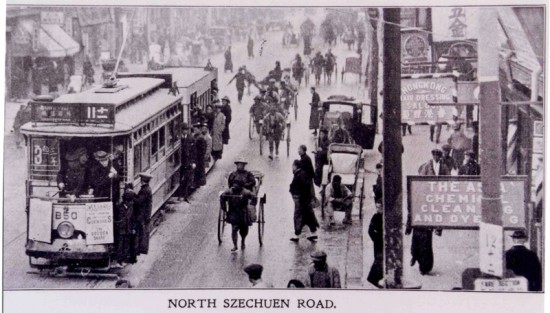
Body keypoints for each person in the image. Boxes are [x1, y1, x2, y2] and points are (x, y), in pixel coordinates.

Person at [406, 149, 448, 275]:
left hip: (432, 207)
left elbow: (447, 182)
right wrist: (409, 225)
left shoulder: (444, 167)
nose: (436, 157)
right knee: (416, 243)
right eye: (434, 155)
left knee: (426, 245)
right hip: (420, 220)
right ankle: (415, 257)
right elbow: (412, 209)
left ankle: (424, 266)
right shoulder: (425, 167)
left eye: (438, 155)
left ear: (440, 157)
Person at [220, 181, 257, 252]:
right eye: (234, 186)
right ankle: (235, 245)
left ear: (241, 187)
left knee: (244, 230)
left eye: (237, 186)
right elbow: (222, 196)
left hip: (243, 213)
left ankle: (243, 240)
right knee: (234, 229)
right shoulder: (230, 191)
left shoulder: (245, 192)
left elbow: (254, 197)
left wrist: (252, 204)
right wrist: (223, 206)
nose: (235, 187)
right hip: (233, 212)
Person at [289, 160, 319, 242]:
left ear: (296, 166)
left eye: (293, 166)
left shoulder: (300, 175)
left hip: (301, 199)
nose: (292, 168)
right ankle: (313, 232)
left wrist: (302, 198)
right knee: (308, 215)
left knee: (298, 216)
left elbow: (304, 188)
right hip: (303, 199)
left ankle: (297, 234)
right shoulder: (301, 174)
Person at [113, 183, 136, 266]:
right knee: (120, 245)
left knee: (126, 245)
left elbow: (133, 219)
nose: (130, 202)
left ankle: (124, 259)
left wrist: (133, 228)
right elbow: (116, 219)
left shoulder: (131, 208)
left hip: (128, 229)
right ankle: (119, 260)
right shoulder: (119, 207)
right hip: (121, 229)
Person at [133, 173, 153, 256]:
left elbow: (139, 201)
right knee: (142, 232)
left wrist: (131, 195)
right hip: (145, 214)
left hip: (142, 214)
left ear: (142, 180)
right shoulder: (147, 188)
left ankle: (139, 250)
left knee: (140, 232)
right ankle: (141, 249)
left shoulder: (145, 190)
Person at [367, 202, 383, 288]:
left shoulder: (386, 217)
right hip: (378, 242)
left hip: (381, 241)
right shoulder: (375, 217)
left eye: (379, 207)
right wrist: (376, 239)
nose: (378, 209)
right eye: (377, 207)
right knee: (378, 259)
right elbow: (370, 230)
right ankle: (375, 279)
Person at [179, 123, 196, 202]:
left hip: (188, 162)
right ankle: (181, 195)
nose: (185, 131)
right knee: (181, 179)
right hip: (180, 162)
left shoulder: (191, 138)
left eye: (186, 130)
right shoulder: (179, 138)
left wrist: (193, 162)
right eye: (184, 129)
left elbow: (194, 151)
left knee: (187, 179)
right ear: (181, 130)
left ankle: (186, 195)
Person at [193, 123, 207, 187]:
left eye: (196, 130)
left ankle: (198, 183)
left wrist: (200, 156)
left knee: (199, 170)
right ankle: (198, 183)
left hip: (199, 157)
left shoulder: (200, 138)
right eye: (194, 130)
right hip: (197, 157)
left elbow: (203, 149)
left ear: (199, 129)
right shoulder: (197, 136)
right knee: (197, 170)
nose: (195, 131)